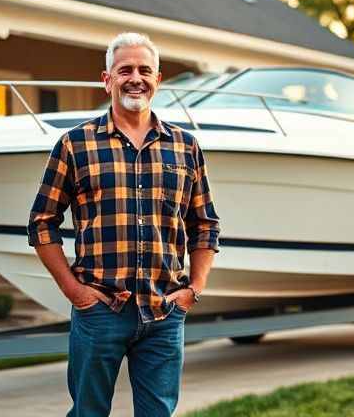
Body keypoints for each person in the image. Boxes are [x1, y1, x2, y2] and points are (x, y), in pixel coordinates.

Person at [27, 32, 221, 417]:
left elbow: (204, 224)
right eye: (125, 69)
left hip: (165, 311)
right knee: (88, 412)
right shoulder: (75, 145)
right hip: (99, 311)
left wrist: (193, 290)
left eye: (144, 70)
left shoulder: (185, 147)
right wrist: (74, 291)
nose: (136, 77)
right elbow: (42, 222)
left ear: (158, 79)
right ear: (107, 79)